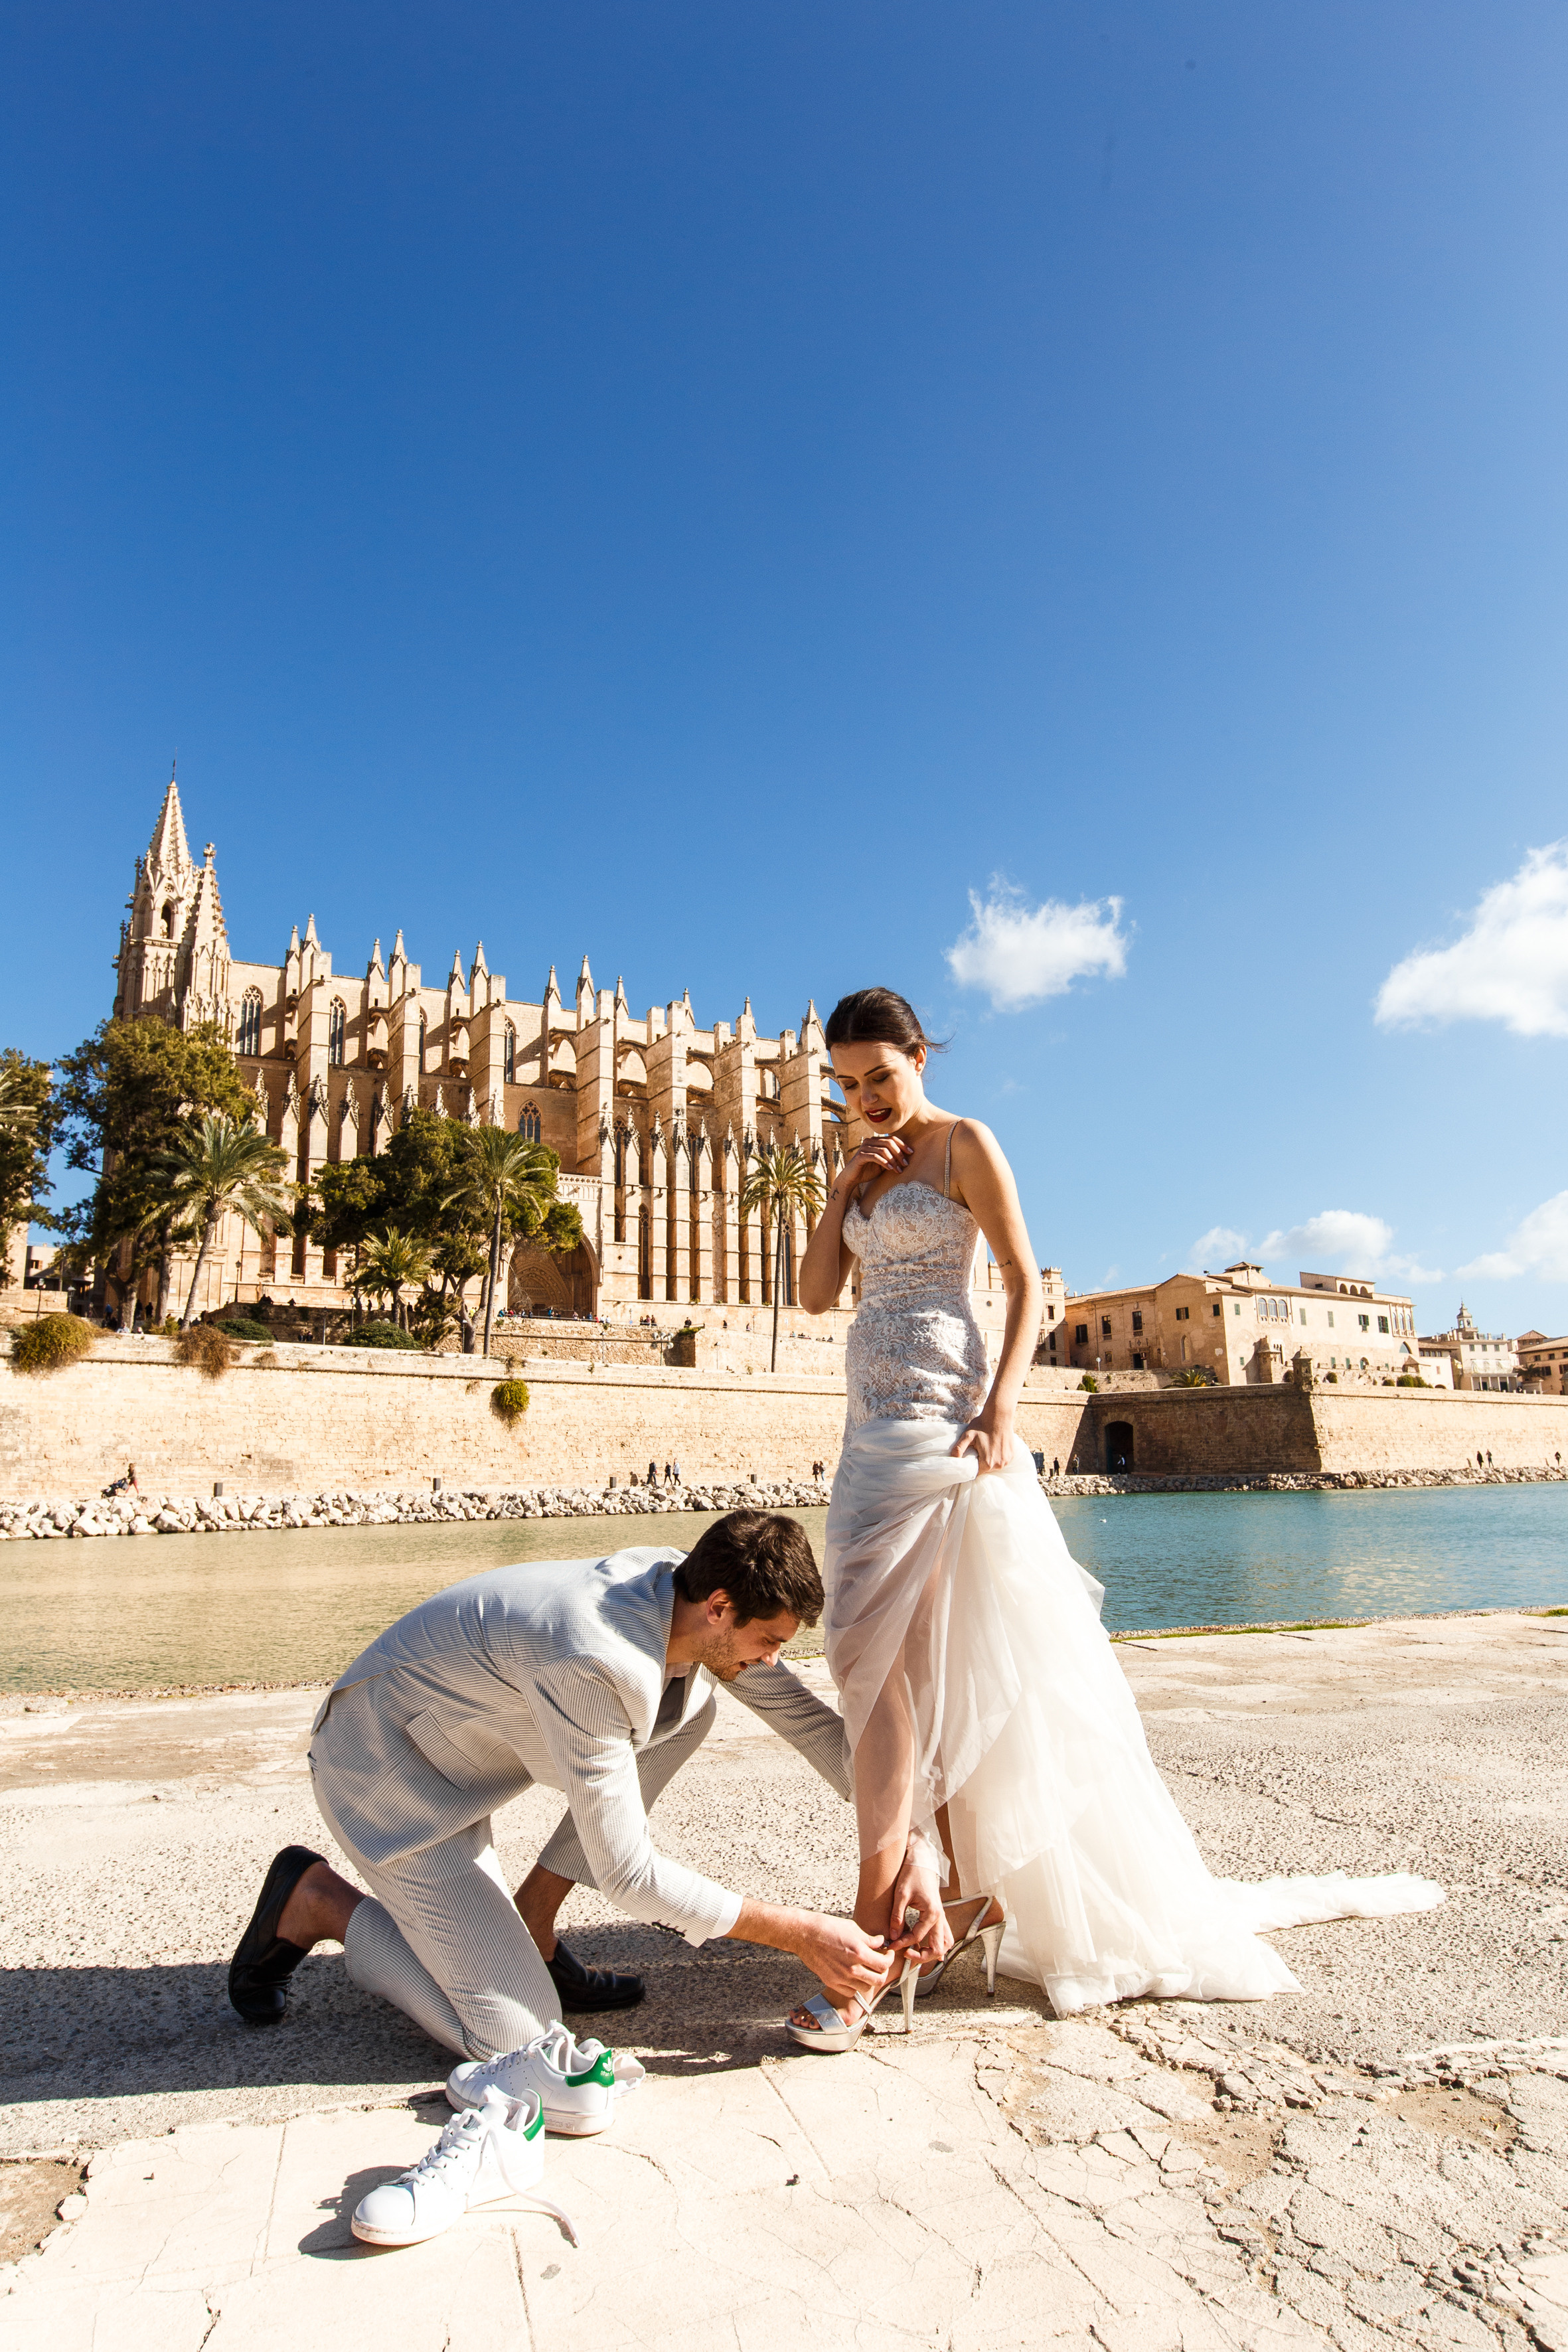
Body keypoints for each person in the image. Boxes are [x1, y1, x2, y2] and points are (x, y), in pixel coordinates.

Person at [785, 986, 1442, 2051]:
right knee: (878, 1667)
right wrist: (838, 1196)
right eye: (847, 1085)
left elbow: (1020, 1282)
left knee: (902, 1673)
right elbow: (818, 1297)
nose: (864, 1099)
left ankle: (870, 1940)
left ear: (920, 1059)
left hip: (949, 1427)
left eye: (880, 1077)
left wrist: (1004, 1405)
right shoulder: (857, 1162)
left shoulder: (964, 1144)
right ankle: (954, 1903)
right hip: (867, 1437)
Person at [228, 1512, 914, 2072]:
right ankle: (318, 1902)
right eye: (768, 1642)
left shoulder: (693, 1583)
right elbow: (628, 1875)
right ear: (720, 1608)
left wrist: (916, 1845)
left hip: (460, 1757)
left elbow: (807, 1724)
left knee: (689, 1709)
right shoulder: (592, 1660)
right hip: (383, 1778)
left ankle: (532, 1916)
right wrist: (801, 1935)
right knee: (524, 2044)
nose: (771, 1660)